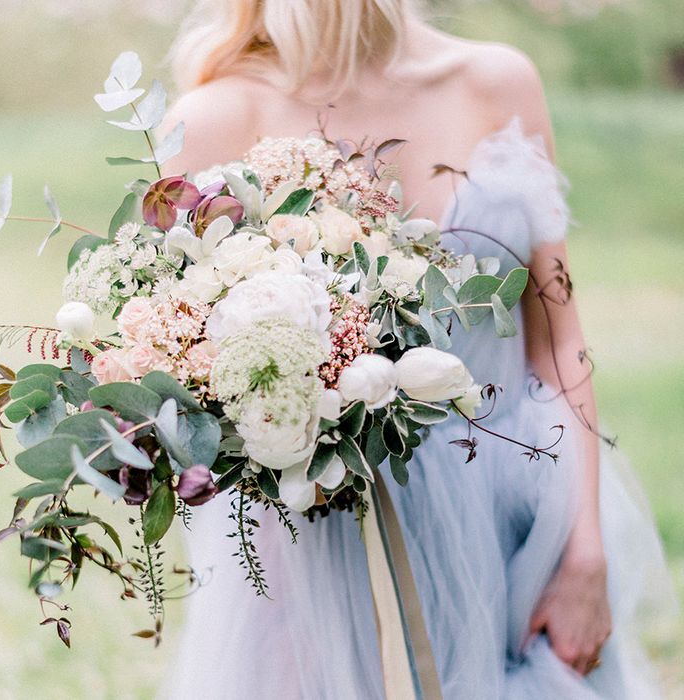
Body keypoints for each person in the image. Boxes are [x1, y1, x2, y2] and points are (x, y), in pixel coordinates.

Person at [156, 1, 671, 698]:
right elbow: (185, 372)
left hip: (514, 521)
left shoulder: (498, 82)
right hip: (322, 558)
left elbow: (559, 337)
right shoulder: (216, 118)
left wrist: (584, 548)